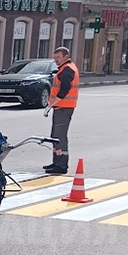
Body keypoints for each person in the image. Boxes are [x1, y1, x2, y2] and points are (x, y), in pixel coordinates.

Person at [44, 46, 79, 175]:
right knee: (56, 136)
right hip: (62, 107)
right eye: (54, 58)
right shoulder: (65, 68)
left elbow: (64, 90)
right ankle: (56, 162)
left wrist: (51, 104)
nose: (56, 60)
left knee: (59, 136)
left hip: (64, 107)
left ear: (66, 56)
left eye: (58, 57)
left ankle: (61, 165)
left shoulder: (67, 70)